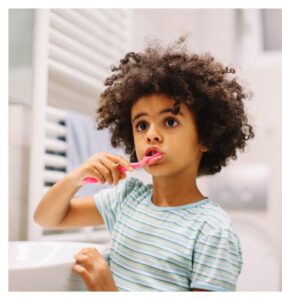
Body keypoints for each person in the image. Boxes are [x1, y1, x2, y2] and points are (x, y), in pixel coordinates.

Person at [34, 36, 254, 291]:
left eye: (170, 121)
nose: (151, 134)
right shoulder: (126, 200)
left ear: (205, 137)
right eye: (141, 125)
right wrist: (76, 178)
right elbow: (46, 218)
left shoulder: (212, 231)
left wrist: (108, 291)